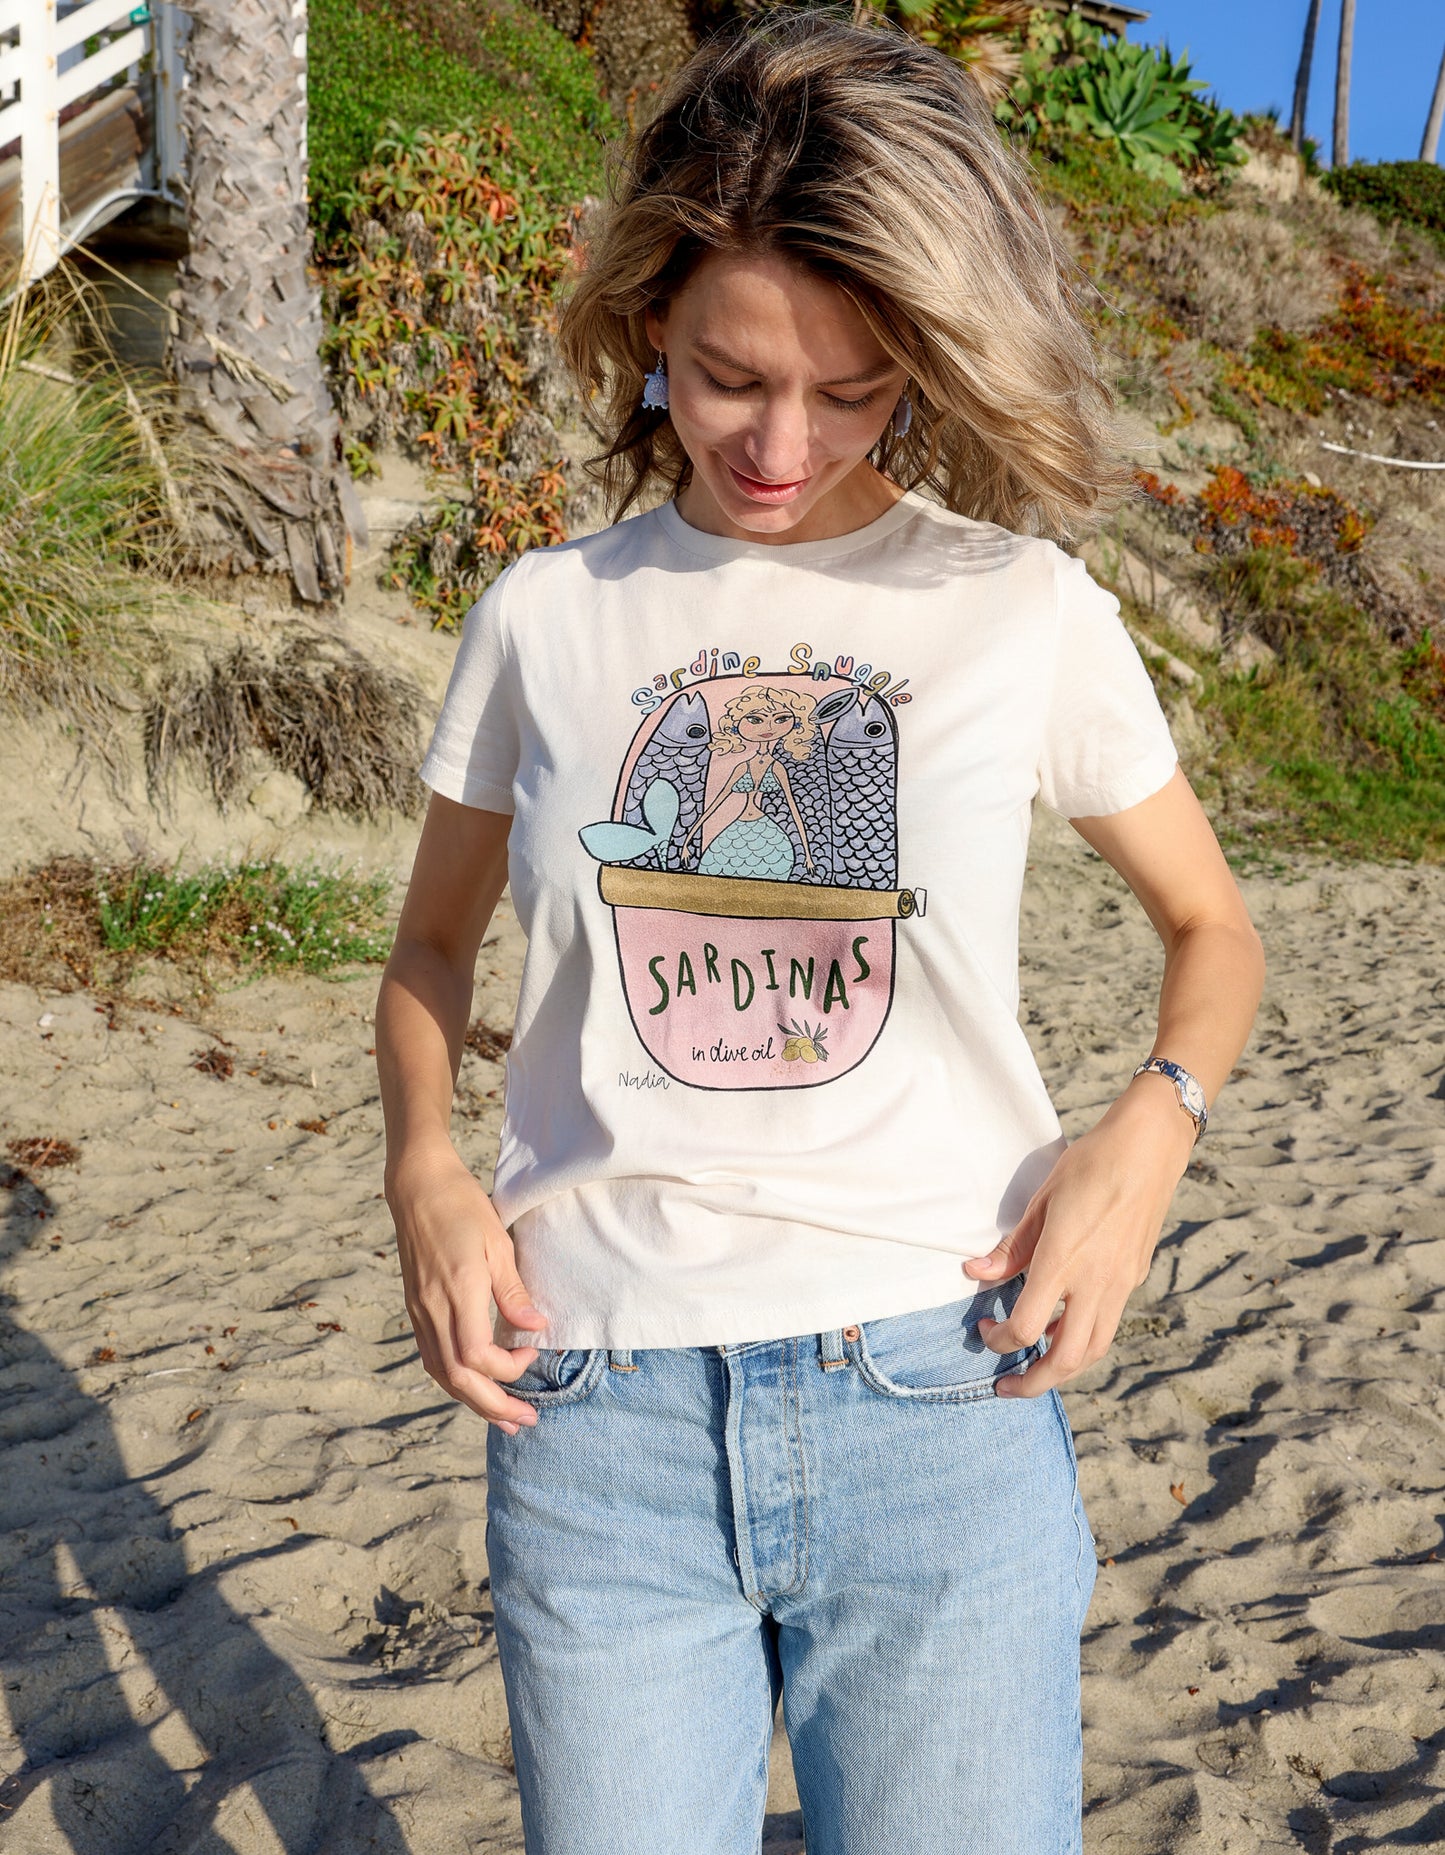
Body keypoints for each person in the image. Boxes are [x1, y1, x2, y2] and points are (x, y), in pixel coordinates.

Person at [374, 9, 1266, 1852]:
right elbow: (432, 956)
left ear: (923, 365)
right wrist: (426, 1173)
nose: (780, 442)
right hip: (594, 1412)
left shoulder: (1014, 606)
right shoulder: (543, 618)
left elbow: (1210, 927)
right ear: (646, 331)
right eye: (726, 377)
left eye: (851, 390)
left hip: (936, 1386)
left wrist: (1143, 1138)